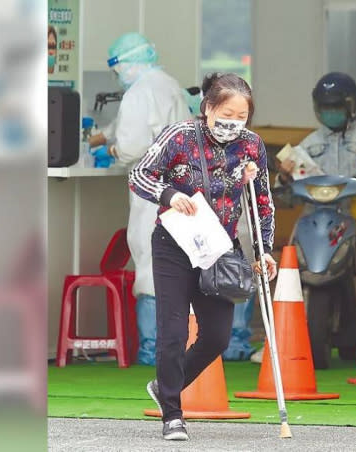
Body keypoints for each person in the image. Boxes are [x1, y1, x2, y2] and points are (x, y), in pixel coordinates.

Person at [129, 72, 277, 441]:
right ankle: (172, 413)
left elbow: (263, 203)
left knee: (217, 337)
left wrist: (264, 251)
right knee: (173, 331)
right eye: (227, 113)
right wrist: (167, 195)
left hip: (219, 248)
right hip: (175, 245)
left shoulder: (251, 146)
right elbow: (139, 174)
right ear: (208, 108)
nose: (234, 124)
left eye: (242, 117)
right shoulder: (178, 136)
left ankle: (166, 386)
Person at [87, 32, 191, 366]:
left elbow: (130, 147)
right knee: (178, 262)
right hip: (181, 186)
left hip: (151, 188)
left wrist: (113, 150)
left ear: (127, 64)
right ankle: (179, 343)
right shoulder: (170, 85)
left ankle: (151, 348)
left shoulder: (137, 93)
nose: (118, 76)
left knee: (148, 258)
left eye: (117, 69)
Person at [276, 72, 356, 355]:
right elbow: (285, 192)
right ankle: (279, 331)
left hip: (353, 213)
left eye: (336, 107)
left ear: (350, 106)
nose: (330, 113)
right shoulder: (309, 144)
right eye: (325, 108)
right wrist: (285, 176)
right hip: (316, 213)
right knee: (291, 250)